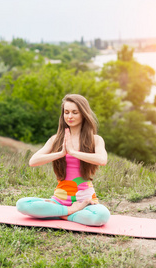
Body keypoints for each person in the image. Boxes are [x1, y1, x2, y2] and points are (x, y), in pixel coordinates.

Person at [16, 94, 110, 226]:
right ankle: (69, 211)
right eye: (66, 112)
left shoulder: (95, 139)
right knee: (22, 204)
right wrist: (61, 153)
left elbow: (102, 160)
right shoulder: (56, 139)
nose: (70, 116)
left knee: (101, 216)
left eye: (74, 112)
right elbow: (33, 161)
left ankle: (60, 214)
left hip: (85, 201)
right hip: (59, 201)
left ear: (83, 114)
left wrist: (73, 152)